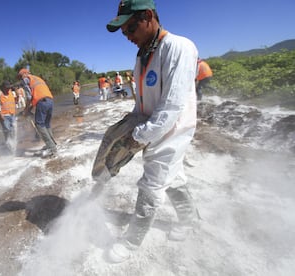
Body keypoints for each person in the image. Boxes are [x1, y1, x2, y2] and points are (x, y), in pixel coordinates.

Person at [104, 0, 199, 263]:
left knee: (150, 186)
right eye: (124, 33)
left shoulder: (178, 47)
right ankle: (190, 218)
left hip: (172, 131)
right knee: (174, 178)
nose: (129, 37)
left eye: (131, 28)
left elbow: (172, 105)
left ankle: (131, 241)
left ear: (148, 16)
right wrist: (128, 124)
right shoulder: (142, 55)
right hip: (150, 127)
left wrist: (139, 136)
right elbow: (143, 101)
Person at [17, 68, 57, 157]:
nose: (20, 79)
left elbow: (29, 97)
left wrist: (26, 110)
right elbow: (38, 94)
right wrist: (30, 108)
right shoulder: (37, 78)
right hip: (50, 100)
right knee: (46, 124)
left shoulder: (26, 79)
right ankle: (52, 144)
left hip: (42, 102)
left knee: (39, 125)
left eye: (20, 77)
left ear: (24, 74)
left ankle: (52, 148)